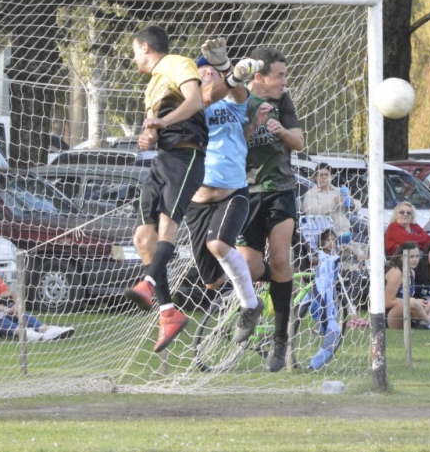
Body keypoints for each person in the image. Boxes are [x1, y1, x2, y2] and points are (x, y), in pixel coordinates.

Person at [122, 25, 209, 353]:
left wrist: (164, 122)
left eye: (134, 51)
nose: (134, 59)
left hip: (186, 154)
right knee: (143, 238)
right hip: (161, 159)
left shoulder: (177, 63)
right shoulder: (150, 90)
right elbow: (153, 131)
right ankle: (168, 311)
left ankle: (148, 283)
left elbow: (195, 101)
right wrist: (148, 135)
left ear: (145, 47)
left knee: (167, 228)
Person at [185, 39, 265, 344]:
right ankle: (254, 280)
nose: (206, 75)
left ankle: (250, 305)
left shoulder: (232, 98)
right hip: (197, 200)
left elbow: (239, 91)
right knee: (211, 281)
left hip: (232, 193)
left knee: (219, 245)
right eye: (200, 71)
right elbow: (200, 99)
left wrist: (225, 68)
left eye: (210, 71)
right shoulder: (191, 105)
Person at [240, 45, 305, 372]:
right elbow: (234, 141)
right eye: (278, 75)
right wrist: (255, 126)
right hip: (245, 193)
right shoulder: (239, 100)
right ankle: (249, 306)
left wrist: (283, 131)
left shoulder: (283, 100)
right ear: (258, 77)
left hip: (281, 189)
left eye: (284, 74)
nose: (284, 81)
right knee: (249, 268)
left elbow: (299, 140)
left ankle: (280, 340)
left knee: (280, 258)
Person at [384, 242, 430, 330]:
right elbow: (387, 302)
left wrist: (415, 302)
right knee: (412, 302)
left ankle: (424, 323)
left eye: (417, 256)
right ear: (402, 257)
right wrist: (412, 301)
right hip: (391, 315)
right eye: (411, 257)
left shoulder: (412, 272)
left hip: (409, 312)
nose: (415, 260)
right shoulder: (396, 272)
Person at [302, 164, 357, 236]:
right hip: (325, 239)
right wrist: (333, 202)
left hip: (345, 233)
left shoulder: (339, 191)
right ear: (315, 177)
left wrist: (353, 204)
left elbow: (357, 204)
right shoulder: (311, 194)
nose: (324, 177)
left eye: (326, 175)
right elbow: (311, 212)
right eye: (321, 175)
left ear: (331, 177)